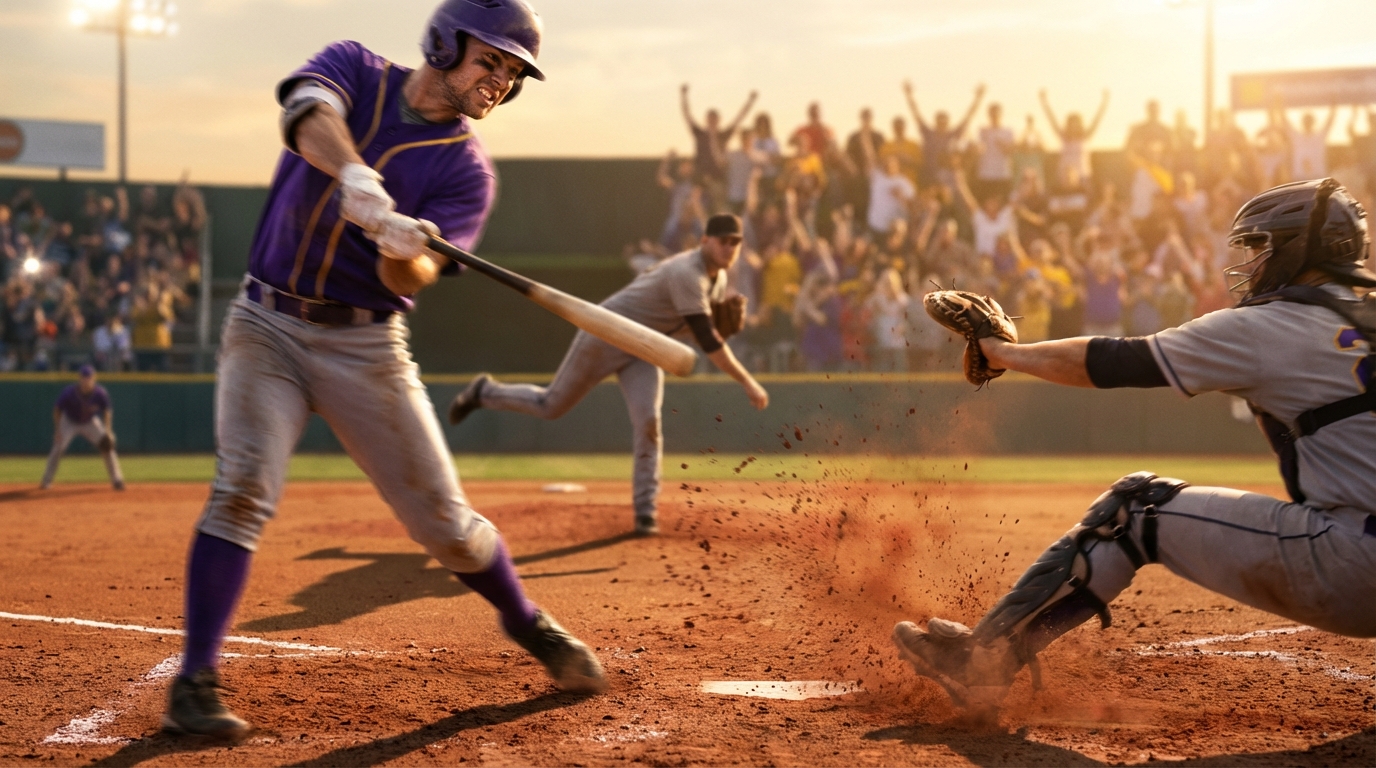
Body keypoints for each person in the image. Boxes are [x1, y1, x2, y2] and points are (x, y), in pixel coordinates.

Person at [162, 0, 608, 740]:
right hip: (265, 324)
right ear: (444, 42)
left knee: (449, 529)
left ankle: (528, 622)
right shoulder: (356, 70)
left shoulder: (466, 171)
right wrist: (360, 182)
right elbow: (307, 116)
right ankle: (194, 682)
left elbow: (411, 280)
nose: (498, 81)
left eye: (512, 72)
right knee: (242, 489)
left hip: (363, 347)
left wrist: (403, 244)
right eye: (488, 60)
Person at [896, 178, 1376, 712]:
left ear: (1298, 248)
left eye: (1262, 245)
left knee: (1133, 509)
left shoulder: (1276, 324)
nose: (1254, 261)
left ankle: (981, 664)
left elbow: (1117, 359)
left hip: (1358, 566)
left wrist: (1004, 352)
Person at [447, 214, 769, 534]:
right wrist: (748, 381)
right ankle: (484, 391)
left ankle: (645, 512)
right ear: (705, 240)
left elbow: (688, 333)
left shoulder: (719, 280)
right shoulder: (688, 273)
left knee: (649, 423)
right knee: (551, 405)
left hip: (644, 348)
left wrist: (714, 332)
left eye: (736, 242)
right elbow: (708, 342)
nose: (730, 247)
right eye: (724, 240)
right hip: (606, 335)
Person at [40, 365, 124, 491]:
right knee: (58, 446)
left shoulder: (100, 393)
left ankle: (117, 479)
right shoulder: (69, 392)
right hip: (69, 421)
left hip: (90, 422)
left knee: (107, 445)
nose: (86, 380)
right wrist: (57, 430)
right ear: (79, 379)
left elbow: (107, 411)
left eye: (88, 378)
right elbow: (57, 410)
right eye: (84, 378)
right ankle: (46, 480)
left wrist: (108, 431)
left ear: (94, 378)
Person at [680, 84, 758, 211]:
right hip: (700, 178)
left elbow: (739, 117)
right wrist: (683, 95)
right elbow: (687, 115)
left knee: (719, 208)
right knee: (694, 205)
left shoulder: (723, 135)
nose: (712, 122)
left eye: (714, 119)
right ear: (706, 120)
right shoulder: (700, 134)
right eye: (710, 119)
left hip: (718, 181)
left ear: (719, 120)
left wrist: (750, 100)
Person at [904, 80, 985, 189]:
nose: (942, 123)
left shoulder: (953, 135)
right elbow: (916, 114)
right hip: (927, 176)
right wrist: (909, 95)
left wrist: (978, 98)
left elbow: (968, 116)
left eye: (944, 120)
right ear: (935, 121)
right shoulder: (928, 133)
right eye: (939, 120)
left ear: (947, 122)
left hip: (948, 179)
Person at [1039, 88, 1109, 184]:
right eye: (1071, 123)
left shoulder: (1085, 137)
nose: (1074, 126)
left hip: (1082, 176)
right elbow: (1052, 120)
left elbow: (1097, 120)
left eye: (1076, 123)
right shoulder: (1064, 137)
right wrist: (1044, 102)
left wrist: (1104, 102)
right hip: (1064, 177)